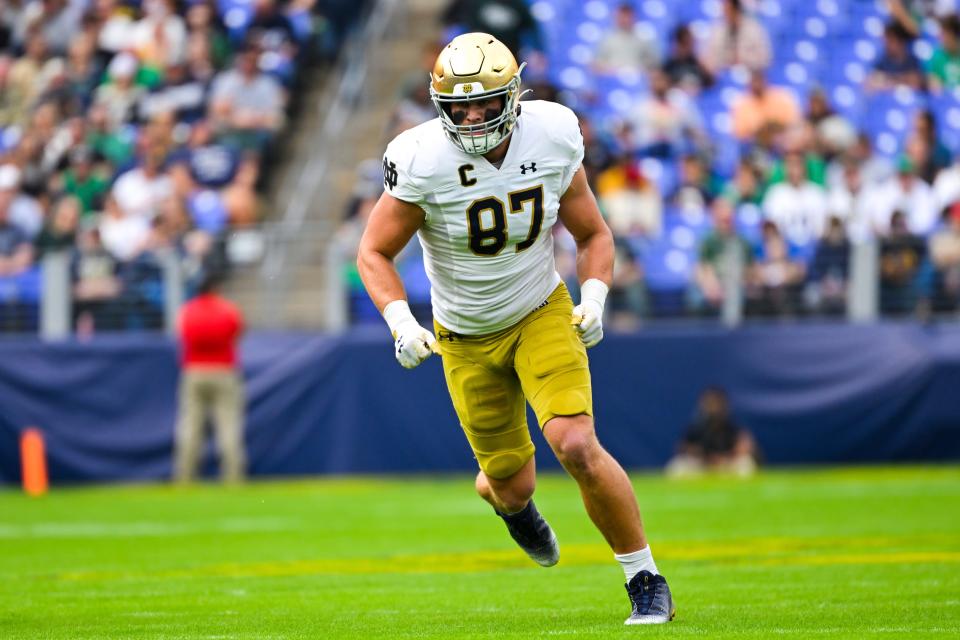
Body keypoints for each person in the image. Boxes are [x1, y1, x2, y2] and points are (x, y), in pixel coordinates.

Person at [356, 33, 674, 625]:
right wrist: (401, 321)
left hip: (539, 309)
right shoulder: (421, 157)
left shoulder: (552, 132)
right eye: (459, 105)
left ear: (514, 95)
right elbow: (373, 252)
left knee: (576, 443)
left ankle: (645, 579)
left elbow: (594, 233)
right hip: (463, 335)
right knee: (510, 485)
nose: (472, 117)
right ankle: (510, 507)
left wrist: (597, 295)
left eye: (484, 103)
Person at [173, 272, 246, 483]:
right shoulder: (228, 309)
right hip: (224, 370)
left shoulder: (187, 310)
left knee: (189, 426)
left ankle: (184, 477)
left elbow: (181, 335)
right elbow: (238, 333)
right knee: (229, 426)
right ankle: (233, 477)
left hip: (194, 370)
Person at [666, 387, 758, 477]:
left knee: (746, 464)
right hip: (702, 467)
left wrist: (724, 458)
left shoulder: (733, 428)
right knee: (677, 466)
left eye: (715, 403)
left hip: (725, 467)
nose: (713, 407)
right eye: (709, 403)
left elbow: (744, 449)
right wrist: (699, 455)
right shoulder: (696, 428)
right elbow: (682, 449)